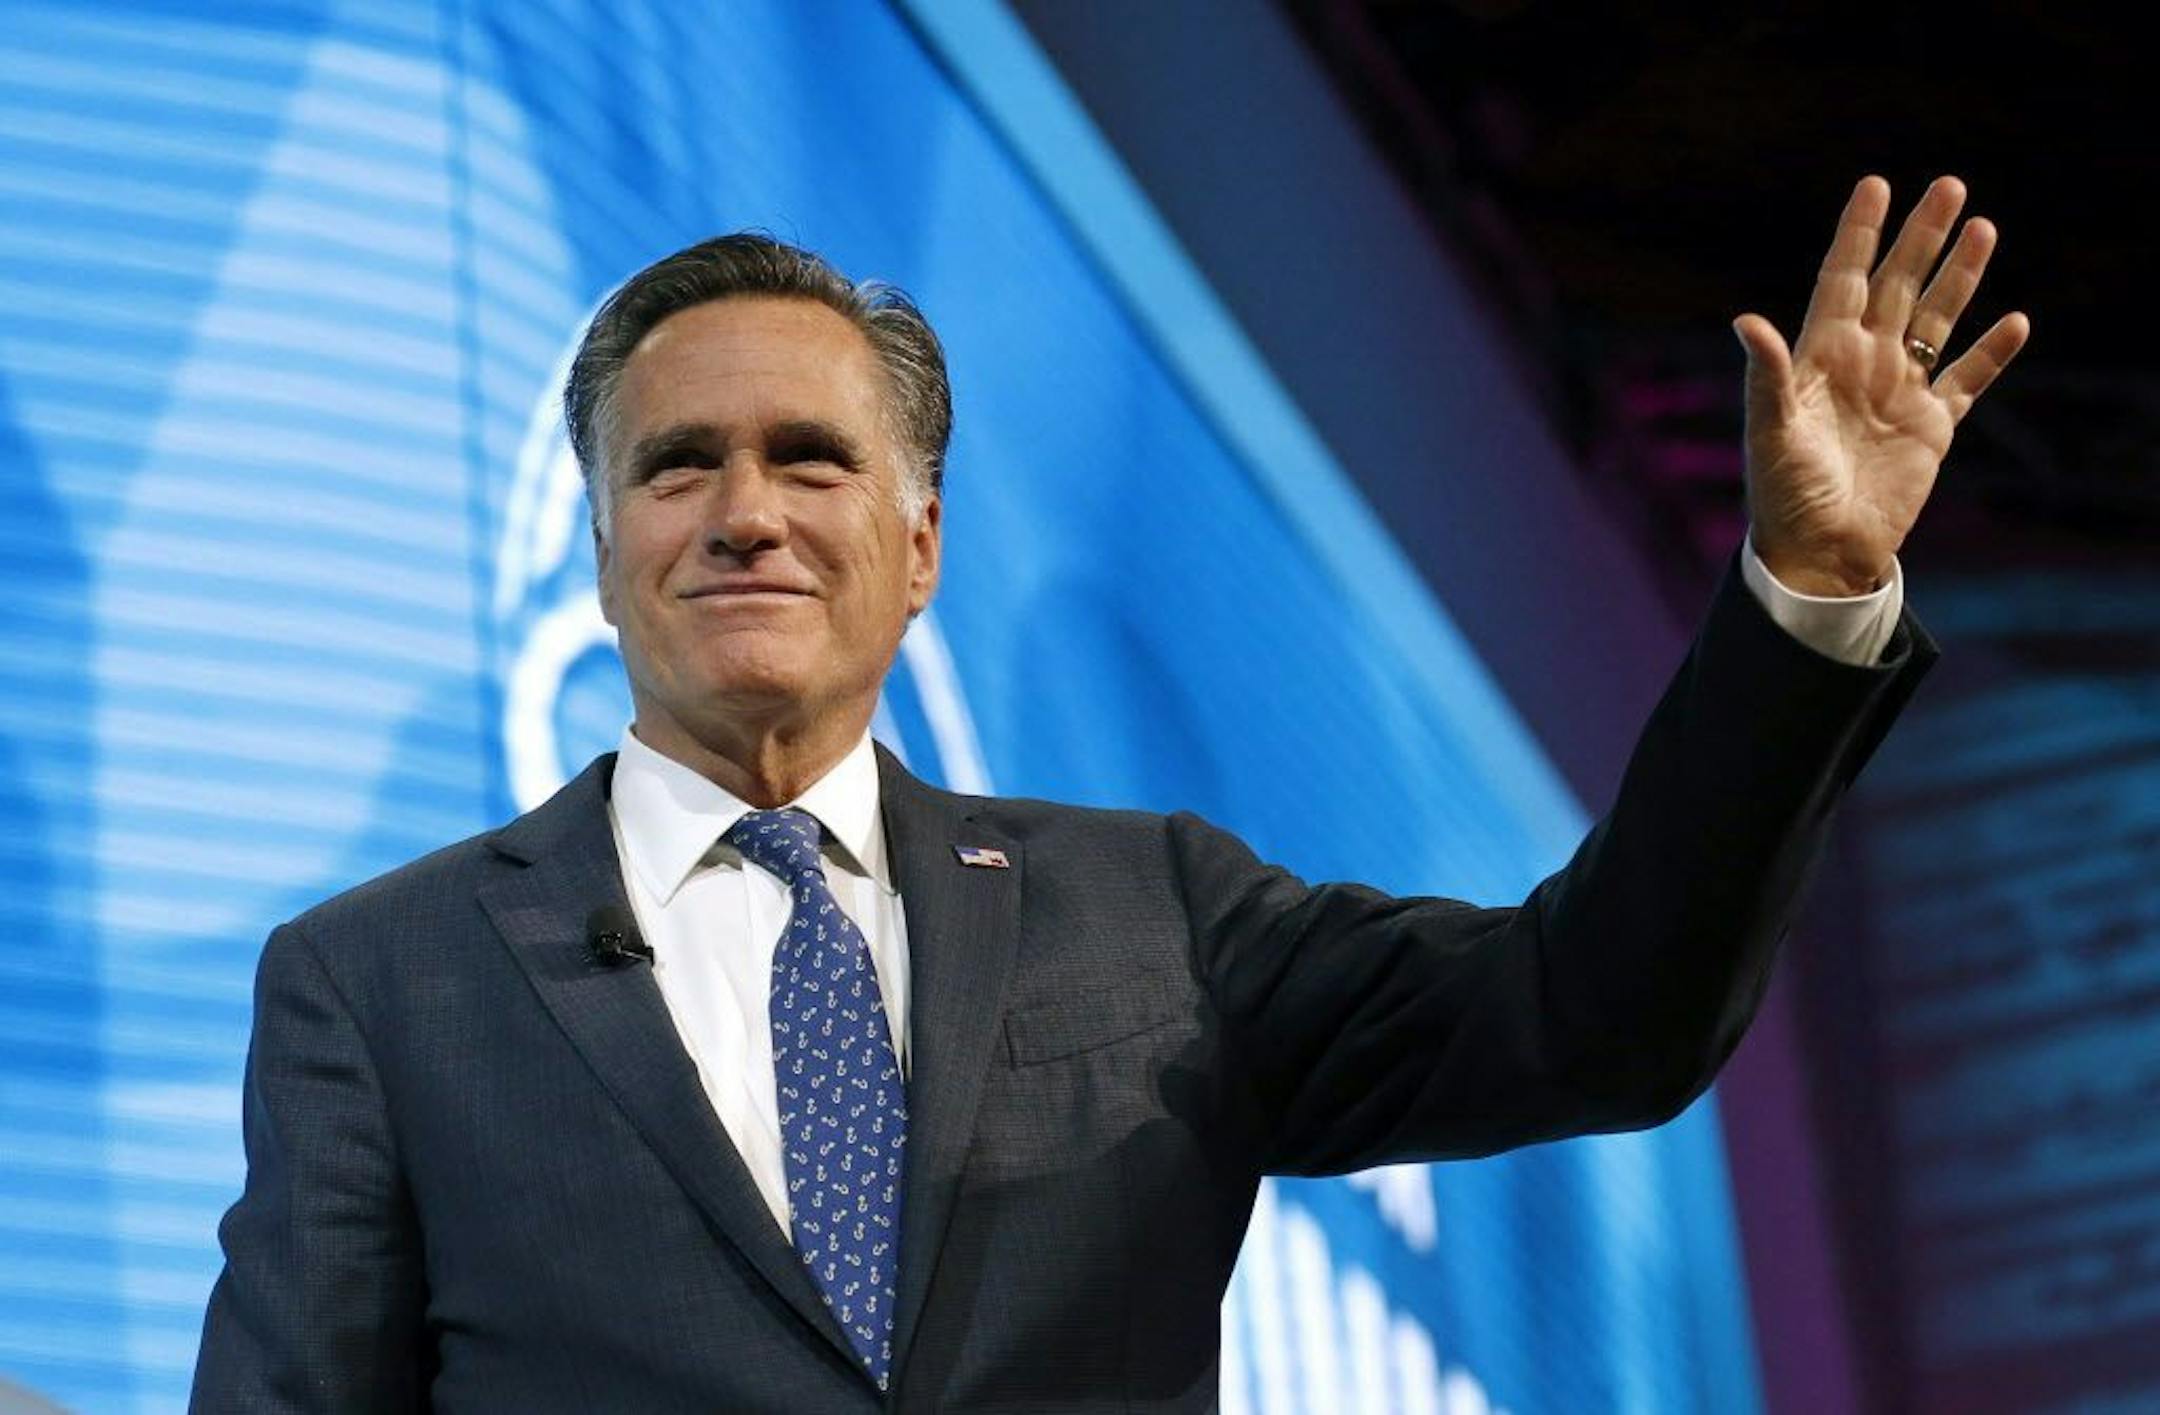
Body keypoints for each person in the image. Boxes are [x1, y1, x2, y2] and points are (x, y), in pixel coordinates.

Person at [191, 176, 2025, 1412]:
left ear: (917, 549)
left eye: (809, 461)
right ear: (601, 555)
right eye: (679, 467)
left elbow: (1598, 1015)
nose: (744, 510)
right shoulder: (384, 979)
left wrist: (1807, 600)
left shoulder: (1155, 914)